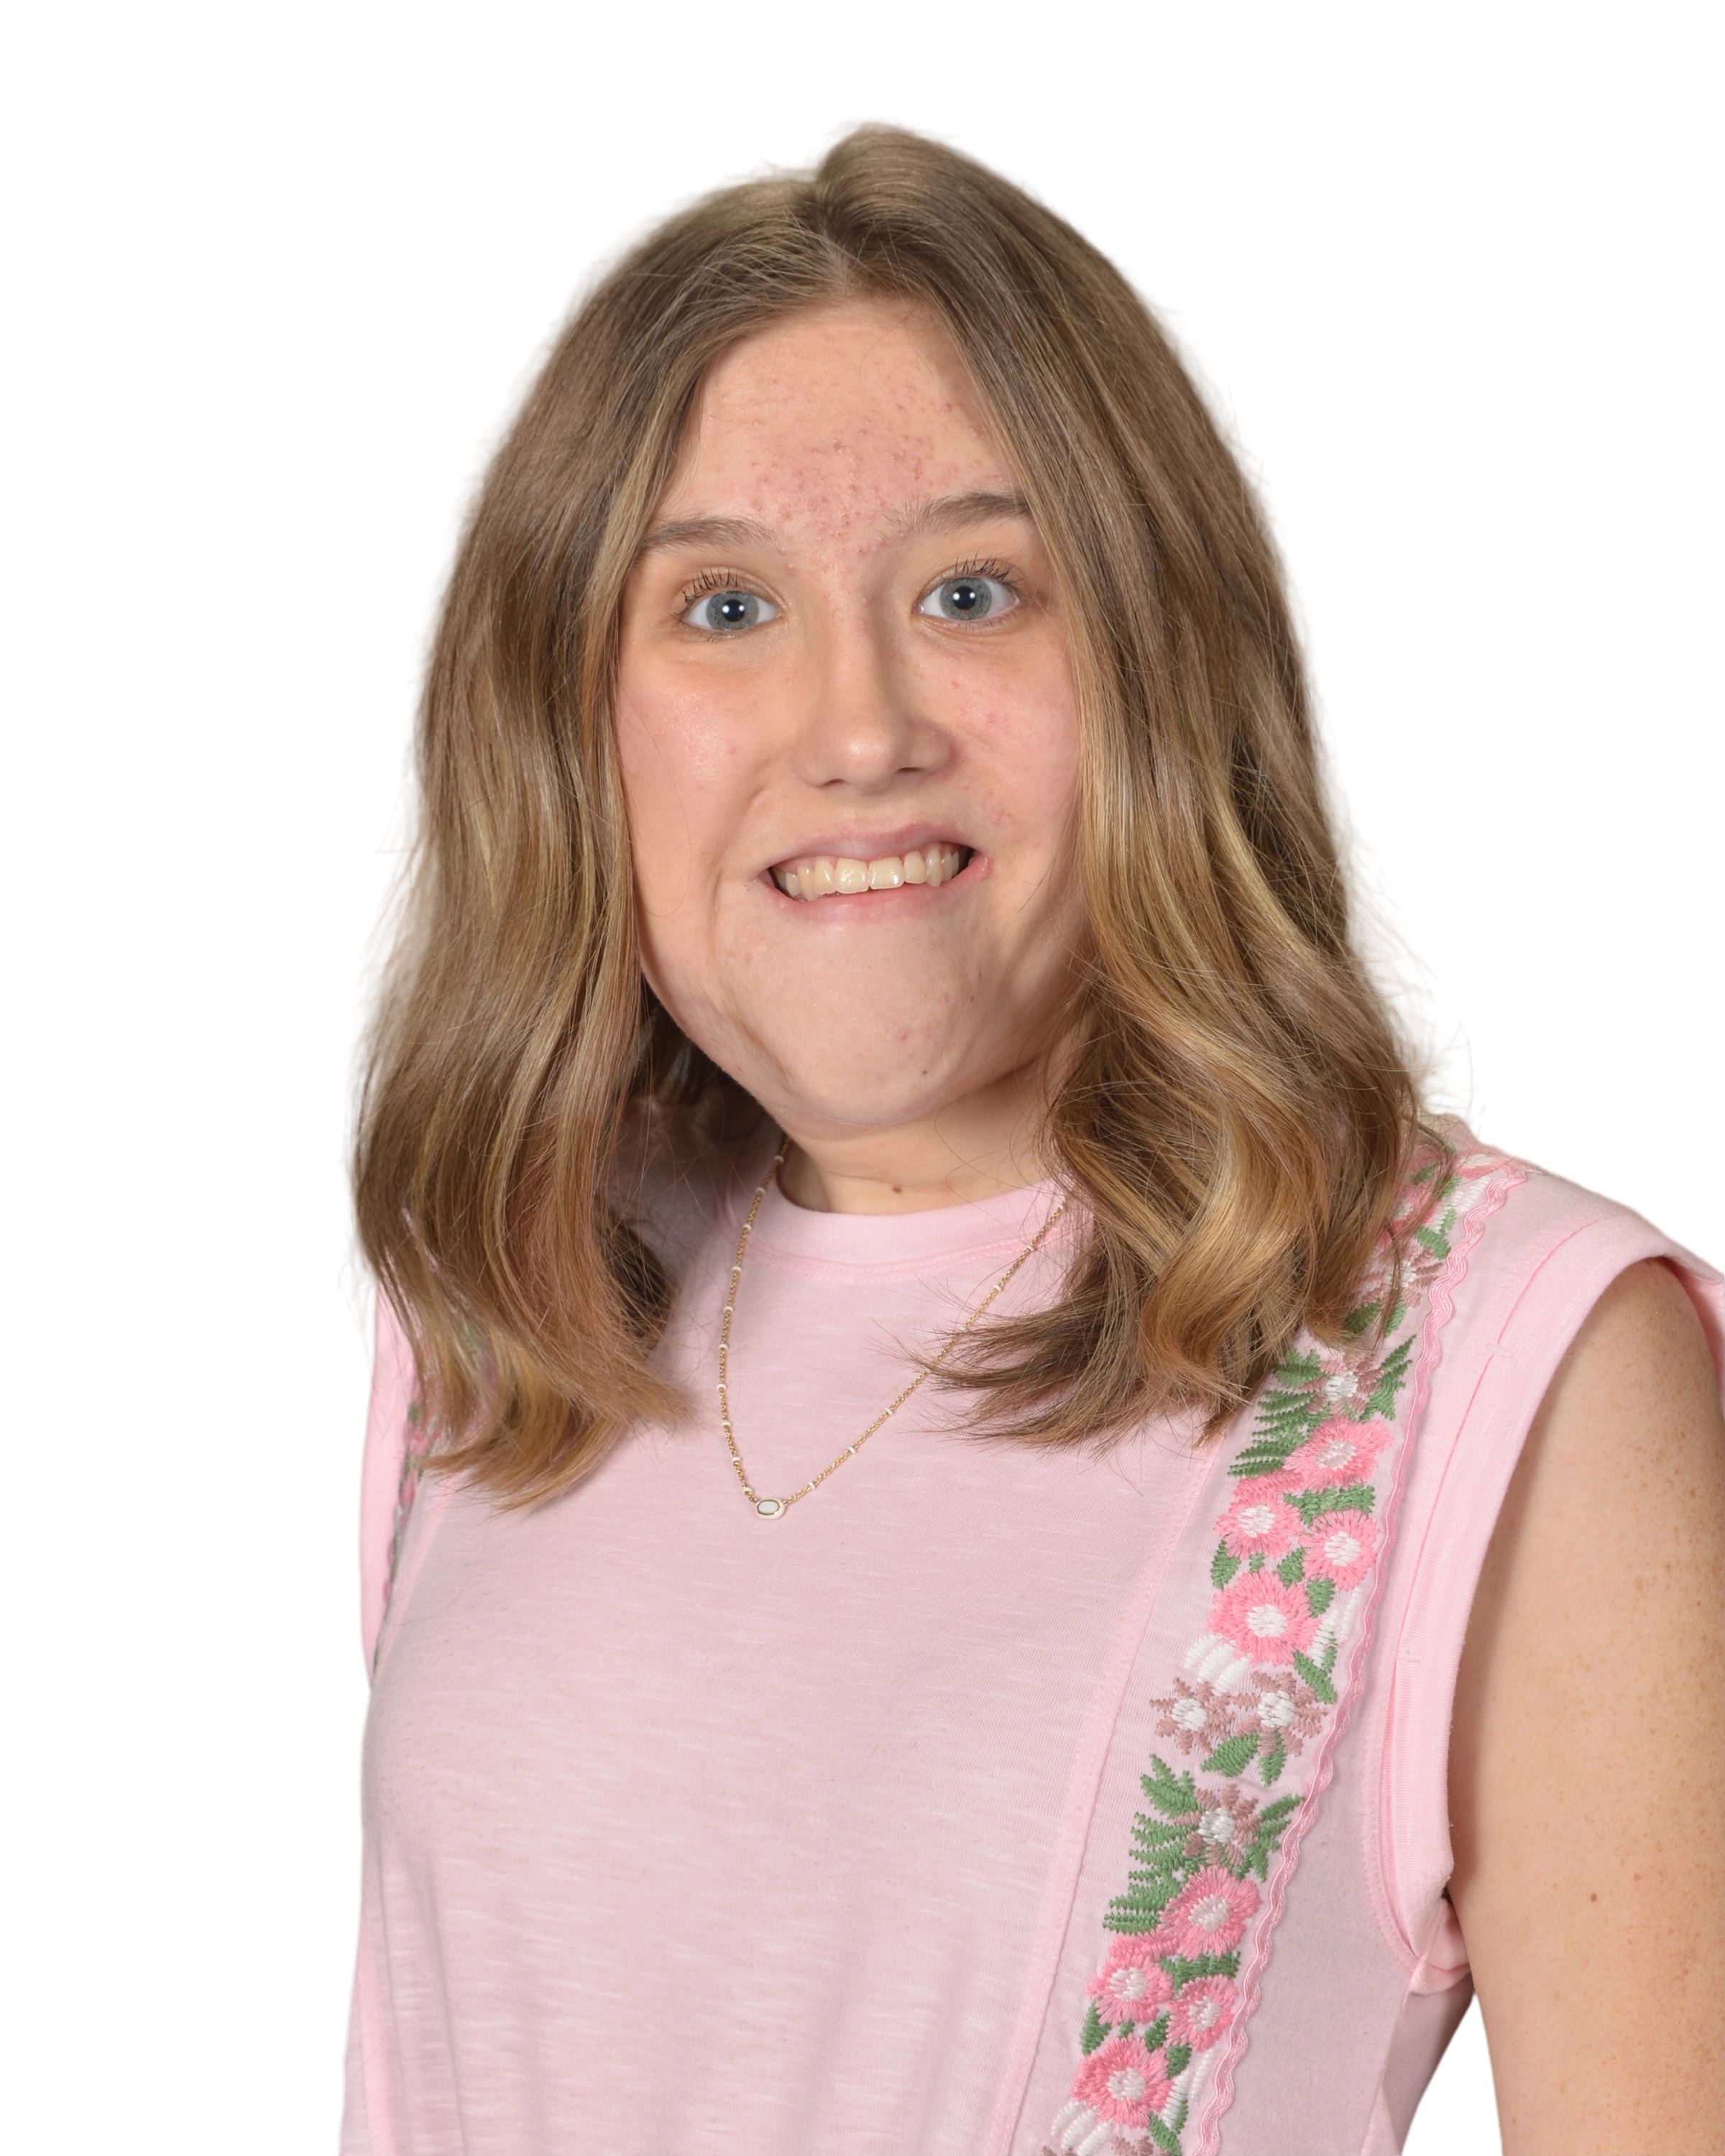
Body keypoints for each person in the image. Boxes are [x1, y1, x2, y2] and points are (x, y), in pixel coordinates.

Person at [332, 114, 1724, 2156]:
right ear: (565, 722)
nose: (858, 729)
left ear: (1163, 666)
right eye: (722, 608)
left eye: (973, 591)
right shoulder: (493, 1306)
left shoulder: (1508, 1355)